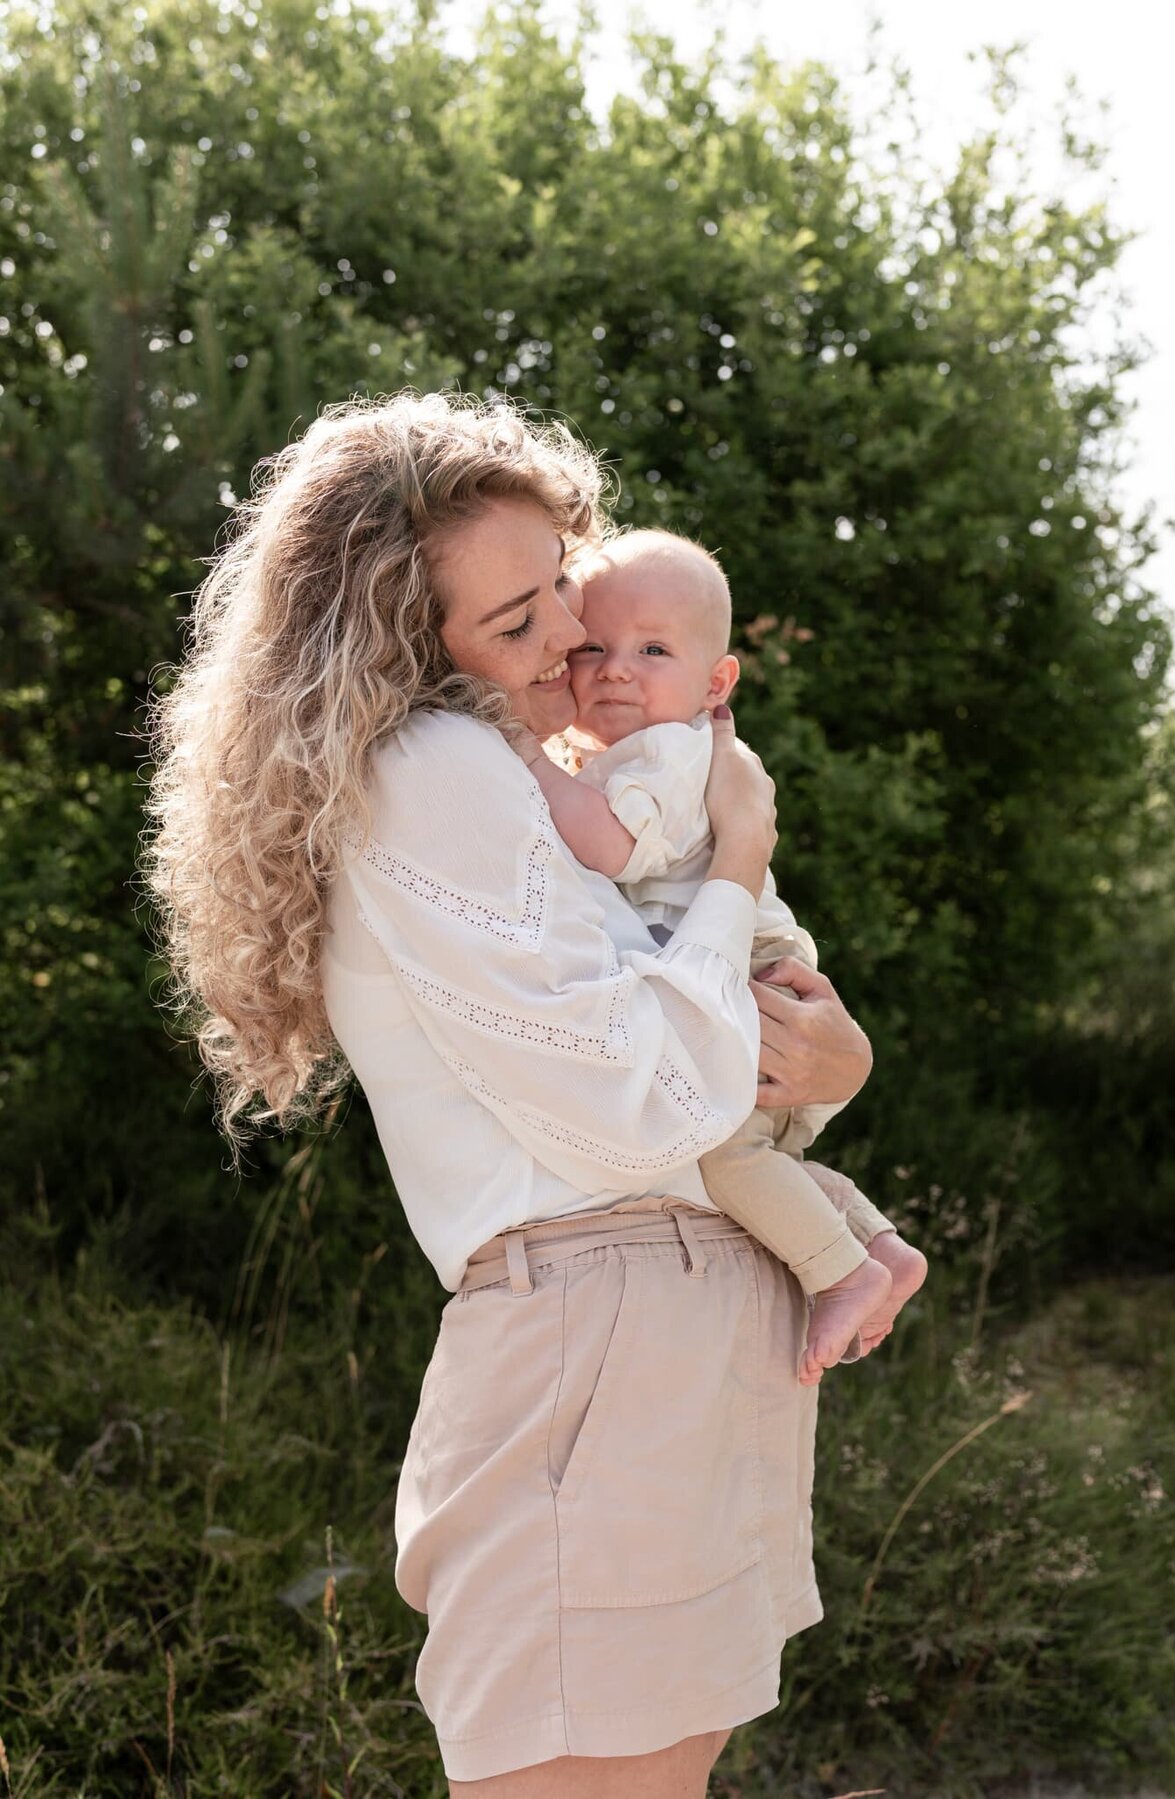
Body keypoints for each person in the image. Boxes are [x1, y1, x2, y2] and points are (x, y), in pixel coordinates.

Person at [145, 391, 878, 1797]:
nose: (572, 646)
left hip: (638, 1316)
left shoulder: (530, 772)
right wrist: (739, 855)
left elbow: (706, 1071)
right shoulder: (436, 770)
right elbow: (664, 1092)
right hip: (631, 1326)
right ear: (399, 647)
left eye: (561, 590)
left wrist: (841, 1063)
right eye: (517, 625)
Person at [511, 529, 927, 1383]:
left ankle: (843, 1272)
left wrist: (523, 758)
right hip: (743, 964)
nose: (617, 668)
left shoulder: (669, 751)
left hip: (747, 971)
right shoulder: (648, 751)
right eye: (596, 647)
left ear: (716, 681)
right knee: (764, 1158)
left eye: (653, 649)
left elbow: (612, 846)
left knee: (724, 1156)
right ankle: (881, 1243)